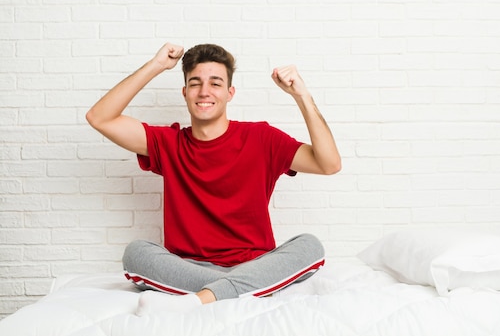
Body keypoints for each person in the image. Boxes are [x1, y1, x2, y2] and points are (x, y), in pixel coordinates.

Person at [86, 43, 341, 315]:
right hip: (189, 269)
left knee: (310, 246)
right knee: (136, 253)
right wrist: (157, 65)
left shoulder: (262, 138)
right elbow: (99, 117)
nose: (204, 92)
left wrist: (300, 95)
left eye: (215, 84)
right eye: (195, 84)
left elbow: (329, 164)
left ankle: (201, 299)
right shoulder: (167, 143)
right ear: (185, 93)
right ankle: (238, 290)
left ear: (230, 93)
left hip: (255, 264)